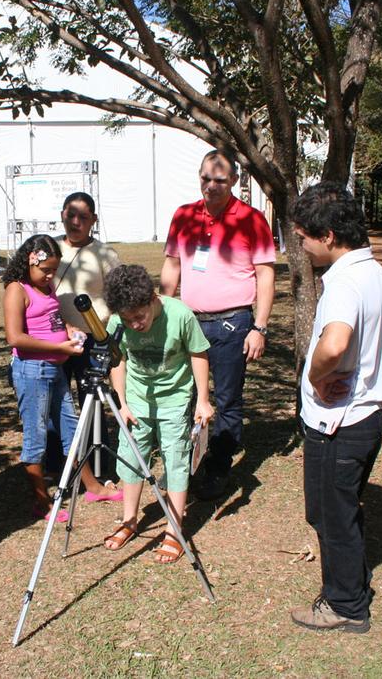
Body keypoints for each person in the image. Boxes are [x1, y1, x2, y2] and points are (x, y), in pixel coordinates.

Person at [286, 182, 382, 633]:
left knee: (331, 514)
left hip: (339, 423)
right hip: (366, 418)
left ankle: (346, 605)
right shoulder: (374, 270)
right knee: (335, 508)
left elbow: (334, 344)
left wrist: (318, 375)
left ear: (329, 236)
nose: (300, 245)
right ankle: (347, 586)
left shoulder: (342, 280)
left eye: (303, 237)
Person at [161, 149, 275, 500]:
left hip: (233, 324)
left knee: (227, 400)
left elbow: (266, 276)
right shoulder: (183, 216)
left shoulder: (252, 219)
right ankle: (183, 465)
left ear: (235, 182)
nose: (211, 187)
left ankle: (217, 468)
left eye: (220, 181)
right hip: (188, 323)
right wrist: (162, 310)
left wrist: (260, 327)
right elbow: (171, 267)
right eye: (205, 178)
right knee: (185, 396)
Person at [101, 265, 213, 563]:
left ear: (152, 298)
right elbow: (118, 360)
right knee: (133, 458)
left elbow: (198, 353)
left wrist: (202, 399)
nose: (135, 325)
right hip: (137, 402)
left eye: (139, 316)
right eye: (128, 319)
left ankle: (174, 530)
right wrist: (122, 402)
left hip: (174, 401)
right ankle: (129, 520)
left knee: (175, 461)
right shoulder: (118, 322)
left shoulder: (180, 315)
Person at [2, 234, 112, 520]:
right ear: (30, 260)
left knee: (70, 429)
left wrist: (70, 331)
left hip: (55, 368)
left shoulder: (46, 285)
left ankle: (92, 487)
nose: (50, 275)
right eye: (46, 269)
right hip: (32, 371)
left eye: (53, 270)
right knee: (36, 435)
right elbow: (14, 337)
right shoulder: (17, 289)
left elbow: (52, 317)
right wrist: (58, 346)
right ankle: (41, 501)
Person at [54, 191, 122, 499]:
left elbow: (118, 296)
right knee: (55, 403)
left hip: (92, 338)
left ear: (94, 219)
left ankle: (96, 464)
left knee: (91, 402)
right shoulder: (49, 249)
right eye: (71, 215)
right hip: (54, 339)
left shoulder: (105, 255)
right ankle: (59, 465)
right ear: (62, 215)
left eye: (83, 216)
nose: (76, 222)